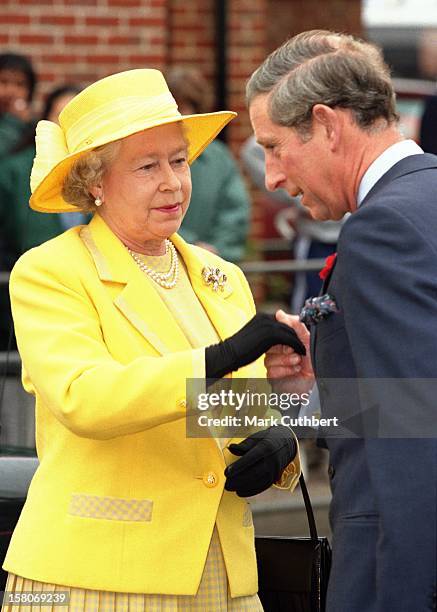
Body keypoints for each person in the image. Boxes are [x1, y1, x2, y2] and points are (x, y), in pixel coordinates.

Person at [1, 68, 305, 610]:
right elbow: (84, 397)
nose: (173, 182)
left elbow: (235, 417)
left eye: (179, 160)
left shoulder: (221, 277)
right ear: (95, 182)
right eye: (147, 166)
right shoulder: (51, 270)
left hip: (223, 571)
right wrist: (220, 357)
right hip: (94, 575)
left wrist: (280, 440)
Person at [247, 30, 437, 612]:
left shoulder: (381, 230)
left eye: (274, 146)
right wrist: (305, 395)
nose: (272, 176)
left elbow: (413, 433)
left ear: (328, 125)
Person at [165, 66, 251, 262]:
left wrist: (215, 251)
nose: (178, 115)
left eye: (183, 107)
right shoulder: (147, 156)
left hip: (212, 265)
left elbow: (235, 211)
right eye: (173, 107)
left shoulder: (218, 158)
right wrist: (190, 245)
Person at [0, 52, 36, 159]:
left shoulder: (34, 128)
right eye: (3, 81)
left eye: (20, 84)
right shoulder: (17, 122)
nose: (11, 91)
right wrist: (14, 121)